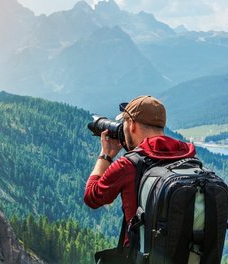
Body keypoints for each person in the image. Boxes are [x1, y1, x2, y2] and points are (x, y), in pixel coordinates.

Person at [83, 95, 196, 246]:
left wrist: (106, 155)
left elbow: (92, 196)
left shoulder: (129, 165)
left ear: (132, 125)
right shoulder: (187, 157)